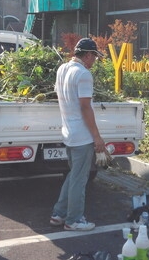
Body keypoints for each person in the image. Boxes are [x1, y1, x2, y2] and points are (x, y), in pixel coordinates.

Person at [49, 38, 106, 231]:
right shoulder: (83, 74)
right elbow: (85, 106)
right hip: (81, 135)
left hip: (68, 132)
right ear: (88, 54)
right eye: (95, 57)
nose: (95, 61)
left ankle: (59, 213)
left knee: (74, 175)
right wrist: (97, 136)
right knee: (79, 180)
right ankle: (73, 220)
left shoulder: (62, 69)